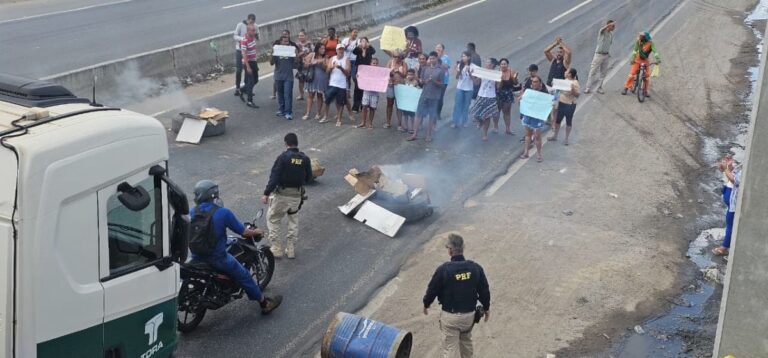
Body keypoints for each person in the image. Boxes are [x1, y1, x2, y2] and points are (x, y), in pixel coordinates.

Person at [190, 180, 283, 314]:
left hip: (196, 255)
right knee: (245, 275)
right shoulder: (223, 212)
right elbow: (243, 232)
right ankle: (264, 303)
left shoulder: (191, 212)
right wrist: (257, 231)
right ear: (214, 194)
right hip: (218, 258)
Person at [423, 234, 490, 358]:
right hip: (469, 316)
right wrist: (486, 308)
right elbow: (484, 291)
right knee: (466, 342)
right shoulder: (475, 268)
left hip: (450, 317)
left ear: (450, 250)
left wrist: (426, 304)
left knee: (450, 348)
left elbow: (432, 289)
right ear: (463, 247)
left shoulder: (443, 270)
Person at [261, 133, 313, 259]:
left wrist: (266, 193)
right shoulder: (305, 158)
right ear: (297, 143)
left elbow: (274, 177)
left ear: (286, 144)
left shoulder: (283, 157)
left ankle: (276, 248)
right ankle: (290, 249)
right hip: (296, 196)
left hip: (282, 195)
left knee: (273, 218)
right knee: (293, 220)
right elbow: (309, 178)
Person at [409, 51, 444, 142]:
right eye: (430, 58)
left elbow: (442, 85)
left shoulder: (440, 70)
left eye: (433, 58)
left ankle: (429, 135)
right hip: (424, 94)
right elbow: (421, 81)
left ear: (436, 58)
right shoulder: (425, 68)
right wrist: (425, 81)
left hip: (434, 96)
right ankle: (414, 134)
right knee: (418, 114)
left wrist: (434, 81)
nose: (431, 60)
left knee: (431, 116)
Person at [713, 157, 741, 256]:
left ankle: (724, 247)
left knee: (730, 225)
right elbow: (736, 173)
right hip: (731, 200)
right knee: (730, 223)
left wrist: (726, 169)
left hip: (734, 201)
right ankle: (726, 245)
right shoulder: (749, 162)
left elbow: (736, 180)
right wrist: (729, 167)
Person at [271, 30, 300, 120]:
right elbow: (271, 63)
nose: (286, 43)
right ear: (280, 42)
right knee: (280, 94)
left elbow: (296, 64)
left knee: (287, 94)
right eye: (284, 41)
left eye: (287, 41)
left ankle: (288, 112)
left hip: (288, 77)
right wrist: (272, 53)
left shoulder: (291, 51)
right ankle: (282, 109)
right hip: (278, 76)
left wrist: (296, 55)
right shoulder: (277, 50)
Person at [469, 58, 500, 141]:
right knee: (475, 112)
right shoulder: (483, 72)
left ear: (492, 65)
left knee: (487, 116)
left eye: (488, 63)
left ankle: (485, 134)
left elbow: (498, 87)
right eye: (486, 62)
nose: (486, 64)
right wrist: (471, 75)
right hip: (481, 95)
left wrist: (500, 81)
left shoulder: (496, 74)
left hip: (490, 96)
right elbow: (476, 83)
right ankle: (480, 121)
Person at [622, 31, 661, 97]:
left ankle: (645, 91)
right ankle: (626, 88)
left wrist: (658, 59)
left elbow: (655, 51)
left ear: (645, 38)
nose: (640, 37)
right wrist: (632, 59)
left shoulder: (651, 43)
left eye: (641, 36)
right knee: (632, 73)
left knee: (647, 76)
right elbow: (635, 51)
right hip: (637, 59)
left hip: (645, 60)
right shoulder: (638, 41)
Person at [520, 76, 549, 162]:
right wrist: (521, 98)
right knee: (527, 134)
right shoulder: (528, 91)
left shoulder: (544, 93)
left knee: (537, 136)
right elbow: (521, 101)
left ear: (540, 83)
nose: (534, 83)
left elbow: (548, 104)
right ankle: (526, 152)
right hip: (528, 116)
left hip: (537, 117)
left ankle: (539, 154)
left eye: (536, 81)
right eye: (533, 82)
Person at [548, 68, 580, 145]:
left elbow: (577, 95)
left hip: (570, 105)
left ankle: (566, 139)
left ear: (570, 74)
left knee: (568, 121)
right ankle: (555, 136)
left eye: (567, 72)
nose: (565, 72)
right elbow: (557, 91)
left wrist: (572, 89)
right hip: (561, 103)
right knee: (558, 121)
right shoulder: (564, 81)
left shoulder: (575, 83)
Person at [583, 20, 616, 94]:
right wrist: (608, 25)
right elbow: (602, 29)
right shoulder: (602, 32)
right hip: (599, 55)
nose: (614, 27)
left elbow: (608, 44)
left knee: (603, 73)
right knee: (593, 71)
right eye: (613, 26)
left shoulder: (611, 34)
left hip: (606, 55)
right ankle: (588, 87)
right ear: (608, 26)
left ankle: (599, 87)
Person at [322, 44, 351, 126]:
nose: (341, 51)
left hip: (342, 85)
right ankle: (325, 116)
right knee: (327, 100)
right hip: (332, 83)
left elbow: (347, 74)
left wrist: (341, 68)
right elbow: (327, 71)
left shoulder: (346, 60)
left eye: (342, 49)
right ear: (336, 50)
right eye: (339, 49)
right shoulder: (332, 59)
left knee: (340, 103)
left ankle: (339, 119)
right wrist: (331, 67)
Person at [303, 43, 329, 121]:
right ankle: (307, 113)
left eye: (324, 49)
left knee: (319, 95)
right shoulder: (312, 54)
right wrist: (312, 63)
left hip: (322, 78)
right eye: (321, 48)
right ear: (317, 49)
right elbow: (305, 65)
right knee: (310, 95)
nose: (323, 50)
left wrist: (321, 63)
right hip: (312, 78)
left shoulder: (325, 57)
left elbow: (326, 69)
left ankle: (318, 113)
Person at [233, 14, 256, 97]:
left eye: (253, 22)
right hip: (240, 50)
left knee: (247, 71)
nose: (251, 24)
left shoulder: (254, 26)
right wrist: (243, 39)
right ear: (248, 19)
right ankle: (237, 88)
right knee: (239, 70)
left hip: (248, 51)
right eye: (250, 22)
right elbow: (235, 36)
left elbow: (256, 35)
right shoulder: (240, 25)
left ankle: (247, 88)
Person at [385, 51, 408, 129]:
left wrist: (398, 71)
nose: (396, 58)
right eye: (395, 56)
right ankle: (388, 122)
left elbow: (405, 75)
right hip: (391, 85)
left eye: (398, 56)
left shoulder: (404, 64)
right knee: (389, 104)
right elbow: (385, 73)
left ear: (401, 57)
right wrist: (390, 73)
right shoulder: (390, 62)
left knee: (399, 106)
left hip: (400, 86)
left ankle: (399, 124)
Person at [352, 37, 376, 112]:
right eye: (362, 41)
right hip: (359, 71)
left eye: (365, 41)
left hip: (367, 72)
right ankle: (356, 106)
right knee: (357, 88)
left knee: (365, 89)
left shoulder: (369, 50)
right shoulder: (358, 50)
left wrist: (370, 46)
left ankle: (363, 105)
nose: (363, 43)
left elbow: (374, 51)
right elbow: (354, 52)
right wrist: (358, 46)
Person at [451, 51, 474, 129]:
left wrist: (469, 72)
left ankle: (464, 121)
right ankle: (455, 121)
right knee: (457, 105)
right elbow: (457, 77)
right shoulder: (460, 65)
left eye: (464, 56)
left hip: (469, 89)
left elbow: (473, 79)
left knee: (466, 106)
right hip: (460, 88)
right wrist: (458, 71)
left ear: (469, 57)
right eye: (462, 56)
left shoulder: (473, 66)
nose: (463, 58)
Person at [495, 58, 518, 135]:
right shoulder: (497, 72)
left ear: (507, 65)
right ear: (500, 65)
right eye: (502, 64)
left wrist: (514, 78)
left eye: (505, 64)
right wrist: (500, 79)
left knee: (507, 112)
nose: (503, 65)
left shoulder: (511, 71)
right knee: (497, 111)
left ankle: (508, 129)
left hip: (508, 94)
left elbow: (515, 83)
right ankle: (496, 127)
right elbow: (498, 86)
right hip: (498, 93)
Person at [240, 24, 260, 108]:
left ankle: (243, 89)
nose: (254, 32)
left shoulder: (253, 37)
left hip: (254, 61)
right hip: (248, 63)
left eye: (254, 30)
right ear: (248, 31)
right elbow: (244, 54)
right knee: (251, 81)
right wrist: (247, 67)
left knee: (256, 80)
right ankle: (249, 101)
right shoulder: (244, 40)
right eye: (253, 30)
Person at [357, 57, 381, 129]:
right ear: (370, 64)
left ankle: (370, 123)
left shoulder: (380, 72)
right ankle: (363, 122)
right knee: (364, 106)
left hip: (375, 93)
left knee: (372, 108)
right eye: (374, 63)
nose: (375, 65)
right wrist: (358, 76)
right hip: (366, 91)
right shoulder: (366, 71)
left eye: (376, 63)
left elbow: (383, 80)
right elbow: (360, 76)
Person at [342, 28, 360, 108]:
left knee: (353, 76)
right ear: (350, 33)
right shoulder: (345, 40)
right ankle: (348, 90)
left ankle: (358, 88)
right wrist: (348, 44)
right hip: (346, 60)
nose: (355, 34)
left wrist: (356, 45)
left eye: (356, 33)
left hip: (354, 60)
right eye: (354, 32)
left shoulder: (358, 41)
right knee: (347, 77)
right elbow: (342, 49)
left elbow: (358, 50)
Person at [295, 29, 313, 101]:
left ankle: (310, 95)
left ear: (305, 36)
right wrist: (302, 53)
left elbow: (313, 52)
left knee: (309, 79)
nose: (300, 37)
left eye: (302, 35)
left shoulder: (309, 44)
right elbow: (295, 55)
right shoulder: (297, 45)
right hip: (300, 64)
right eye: (299, 36)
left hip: (309, 64)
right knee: (300, 79)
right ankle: (301, 94)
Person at [435, 43, 451, 120]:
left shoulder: (446, 57)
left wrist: (439, 59)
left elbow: (447, 67)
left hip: (444, 80)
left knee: (440, 97)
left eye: (440, 47)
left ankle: (438, 113)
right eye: (437, 47)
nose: (438, 48)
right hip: (435, 79)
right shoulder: (433, 57)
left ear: (443, 49)